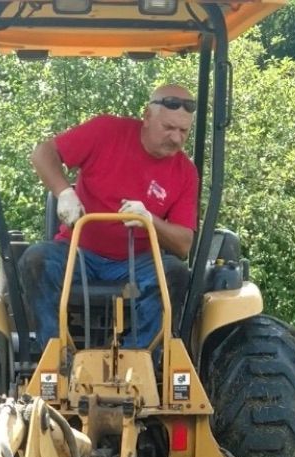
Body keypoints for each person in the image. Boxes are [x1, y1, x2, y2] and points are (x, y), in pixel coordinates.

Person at [19, 86, 199, 351]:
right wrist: (64, 192)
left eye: (183, 131)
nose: (176, 138)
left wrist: (150, 220)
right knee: (36, 261)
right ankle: (55, 356)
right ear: (147, 116)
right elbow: (42, 153)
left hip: (137, 263)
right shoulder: (106, 132)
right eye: (169, 128)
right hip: (78, 254)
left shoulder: (185, 173)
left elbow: (184, 245)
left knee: (174, 274)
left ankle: (138, 360)